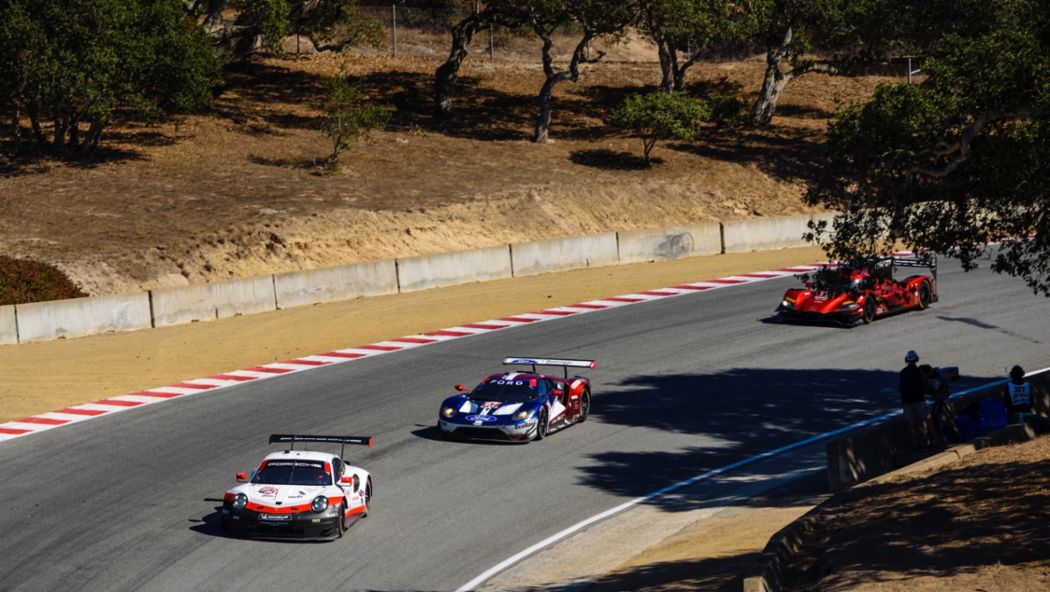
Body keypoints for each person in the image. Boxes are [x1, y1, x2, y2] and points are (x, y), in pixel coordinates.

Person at [900, 350, 931, 450]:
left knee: (911, 423)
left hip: (906, 401)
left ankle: (915, 445)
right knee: (927, 419)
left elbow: (901, 387)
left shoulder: (903, 373)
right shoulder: (919, 372)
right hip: (918, 399)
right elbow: (926, 383)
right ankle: (934, 441)